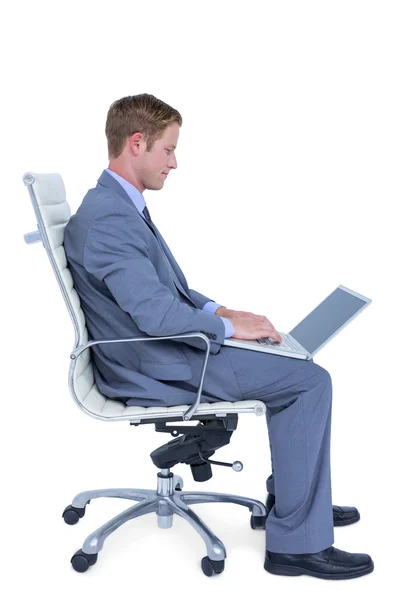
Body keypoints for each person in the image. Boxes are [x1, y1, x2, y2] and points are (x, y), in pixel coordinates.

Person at [63, 93, 374, 579]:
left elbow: (170, 289)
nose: (175, 162)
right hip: (153, 363)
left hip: (158, 351)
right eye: (168, 150)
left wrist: (219, 310)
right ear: (138, 143)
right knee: (309, 382)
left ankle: (298, 501)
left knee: (296, 367)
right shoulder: (108, 218)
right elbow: (156, 316)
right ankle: (296, 543)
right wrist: (228, 330)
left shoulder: (115, 203)